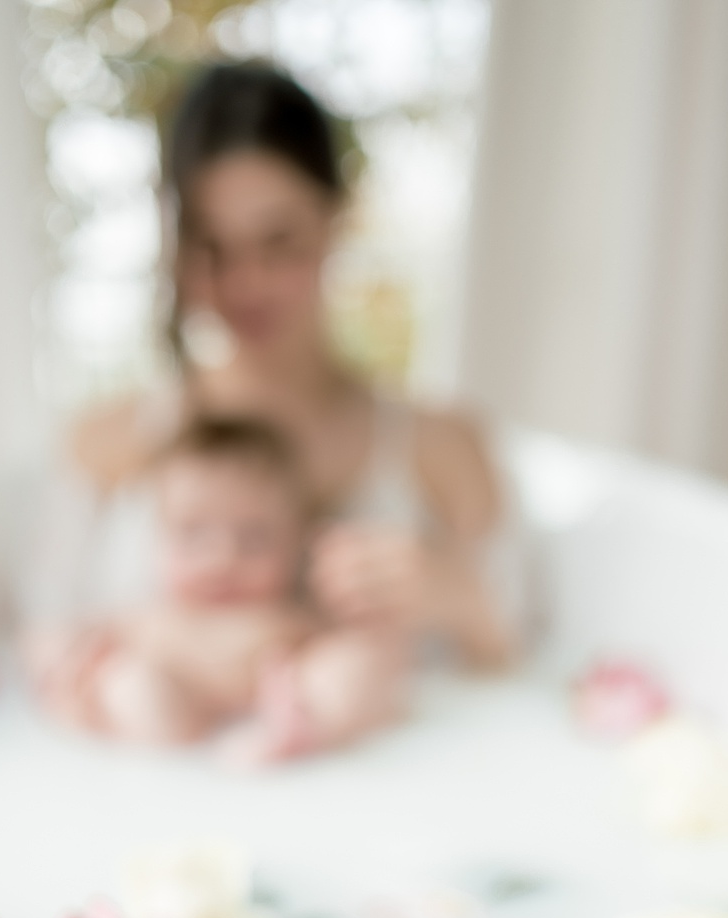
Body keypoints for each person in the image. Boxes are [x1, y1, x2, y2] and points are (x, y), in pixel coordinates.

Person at [28, 62, 520, 742]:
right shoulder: (106, 440)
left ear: (336, 221)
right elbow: (41, 640)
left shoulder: (442, 444)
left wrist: (453, 593)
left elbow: (521, 653)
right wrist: (149, 636)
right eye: (211, 245)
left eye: (277, 240)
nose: (244, 282)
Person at [41, 415, 405, 762]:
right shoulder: (152, 616)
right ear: (159, 539)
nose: (222, 558)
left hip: (281, 689)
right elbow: (80, 636)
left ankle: (303, 729)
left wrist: (352, 652)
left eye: (253, 538)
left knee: (355, 663)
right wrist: (71, 663)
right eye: (194, 534)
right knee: (124, 680)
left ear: (297, 544)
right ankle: (138, 727)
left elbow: (355, 642)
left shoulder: (291, 611)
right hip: (180, 698)